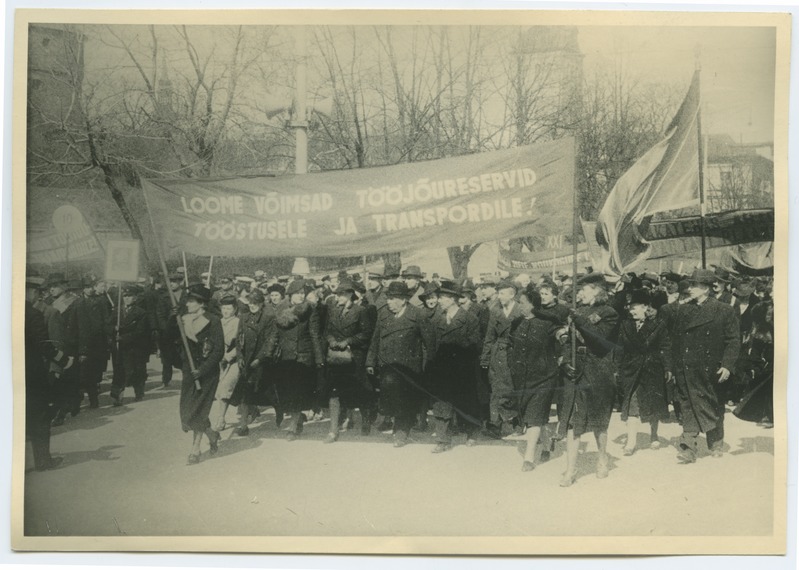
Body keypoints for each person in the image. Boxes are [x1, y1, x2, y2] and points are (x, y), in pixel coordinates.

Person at [672, 268, 741, 463]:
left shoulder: (724, 310)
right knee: (688, 405)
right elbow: (676, 340)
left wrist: (727, 365)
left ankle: (716, 442)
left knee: (714, 405)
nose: (690, 288)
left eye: (694, 285)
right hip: (687, 368)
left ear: (706, 289)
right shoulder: (683, 310)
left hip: (713, 369)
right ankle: (688, 448)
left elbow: (733, 340)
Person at [558, 272, 618, 486]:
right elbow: (569, 341)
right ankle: (570, 469)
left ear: (596, 290)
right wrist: (565, 360)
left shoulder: (608, 313)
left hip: (598, 371)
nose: (579, 293)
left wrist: (579, 319)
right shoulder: (578, 312)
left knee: (599, 422)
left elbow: (599, 341)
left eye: (583, 289)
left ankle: (602, 458)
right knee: (574, 421)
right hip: (575, 371)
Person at [366, 281, 434, 447]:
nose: (388, 302)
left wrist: (426, 366)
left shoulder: (418, 315)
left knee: (406, 399)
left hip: (409, 368)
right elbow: (375, 340)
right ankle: (398, 427)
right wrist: (370, 361)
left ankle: (402, 431)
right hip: (387, 366)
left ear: (403, 300)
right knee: (391, 398)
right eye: (388, 298)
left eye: (392, 299)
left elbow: (429, 344)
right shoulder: (383, 315)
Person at [507, 287, 559, 471]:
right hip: (522, 378)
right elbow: (510, 346)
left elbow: (560, 347)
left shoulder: (548, 324)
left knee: (534, 416)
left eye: (521, 303)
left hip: (544, 377)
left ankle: (528, 458)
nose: (518, 306)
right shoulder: (516, 323)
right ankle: (547, 443)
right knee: (536, 416)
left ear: (532, 304)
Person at [427, 280, 481, 453]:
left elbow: (474, 344)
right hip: (441, 369)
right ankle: (443, 440)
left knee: (465, 402)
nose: (439, 301)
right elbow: (432, 346)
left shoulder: (469, 319)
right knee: (441, 403)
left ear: (453, 299)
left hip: (462, 369)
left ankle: (472, 433)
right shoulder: (436, 319)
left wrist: (453, 347)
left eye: (442, 297)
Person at [267, 279, 324, 440]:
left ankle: (292, 426)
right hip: (284, 358)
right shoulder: (280, 310)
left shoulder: (310, 310)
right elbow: (274, 334)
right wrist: (267, 354)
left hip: (302, 357)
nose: (301, 296)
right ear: (290, 295)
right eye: (298, 293)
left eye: (303, 293)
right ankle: (297, 420)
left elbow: (314, 335)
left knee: (296, 392)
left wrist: (319, 359)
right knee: (286, 392)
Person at [616, 289, 672, 456]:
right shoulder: (625, 325)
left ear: (645, 307)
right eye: (630, 307)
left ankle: (654, 434)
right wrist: (617, 368)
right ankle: (631, 442)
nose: (632, 310)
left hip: (652, 369)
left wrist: (668, 368)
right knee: (632, 404)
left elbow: (665, 347)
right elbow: (619, 348)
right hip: (631, 370)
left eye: (635, 307)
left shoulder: (658, 325)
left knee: (652, 403)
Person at [321, 278, 376, 442]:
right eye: (337, 295)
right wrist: (331, 340)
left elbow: (366, 334)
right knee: (334, 392)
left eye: (340, 295)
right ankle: (333, 430)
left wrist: (348, 341)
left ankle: (366, 420)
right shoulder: (333, 310)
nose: (337, 298)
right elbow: (327, 330)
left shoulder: (360, 311)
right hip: (336, 358)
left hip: (354, 359)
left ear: (349, 295)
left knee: (359, 391)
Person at [179, 284, 224, 465]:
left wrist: (203, 370)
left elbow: (218, 350)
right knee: (187, 411)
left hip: (207, 373)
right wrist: (171, 316)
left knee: (198, 410)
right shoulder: (183, 320)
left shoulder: (213, 320)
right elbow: (169, 338)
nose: (187, 304)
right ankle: (212, 434)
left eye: (191, 301)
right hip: (190, 372)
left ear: (201, 304)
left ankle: (195, 449)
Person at [25, 276, 64, 471]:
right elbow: (46, 346)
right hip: (33, 374)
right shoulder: (32, 314)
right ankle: (43, 461)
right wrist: (63, 362)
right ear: (32, 292)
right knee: (40, 417)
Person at [480, 280, 524, 438]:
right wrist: (485, 358)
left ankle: (517, 423)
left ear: (512, 295)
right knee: (496, 389)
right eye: (498, 293)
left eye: (503, 293)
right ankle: (495, 425)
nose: (499, 297)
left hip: (516, 354)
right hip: (497, 354)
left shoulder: (522, 310)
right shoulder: (495, 311)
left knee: (514, 389)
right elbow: (489, 337)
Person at [229, 288, 275, 436]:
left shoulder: (268, 318)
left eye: (255, 303)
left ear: (261, 304)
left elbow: (269, 342)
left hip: (262, 361)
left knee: (272, 393)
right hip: (247, 361)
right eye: (250, 302)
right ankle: (243, 424)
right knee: (244, 392)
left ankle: (294, 415)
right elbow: (239, 339)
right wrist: (240, 357)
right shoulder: (243, 317)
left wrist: (259, 359)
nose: (252, 305)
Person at [47, 275, 82, 425]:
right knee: (57, 380)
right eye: (50, 286)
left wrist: (82, 350)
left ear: (64, 286)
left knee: (67, 379)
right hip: (54, 346)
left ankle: (65, 409)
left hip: (70, 346)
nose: (51, 289)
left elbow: (82, 327)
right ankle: (64, 406)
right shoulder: (49, 303)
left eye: (55, 285)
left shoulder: (75, 302)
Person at [733, 300, 774, 428]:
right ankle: (769, 415)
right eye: (768, 314)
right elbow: (756, 352)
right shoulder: (762, 331)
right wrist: (758, 366)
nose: (771, 316)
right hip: (769, 364)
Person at [111, 285, 151, 406]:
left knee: (136, 370)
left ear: (135, 298)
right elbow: (106, 325)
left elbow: (140, 331)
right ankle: (117, 396)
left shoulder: (141, 313)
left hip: (135, 347)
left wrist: (123, 337)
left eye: (130, 296)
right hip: (120, 348)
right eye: (125, 296)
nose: (127, 299)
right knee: (119, 371)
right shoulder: (117, 311)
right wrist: (114, 328)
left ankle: (139, 392)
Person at [78, 276, 113, 409]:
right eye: (86, 287)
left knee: (92, 373)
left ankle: (93, 400)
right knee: (82, 374)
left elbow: (105, 320)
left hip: (95, 341)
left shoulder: (100, 301)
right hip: (80, 341)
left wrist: (107, 336)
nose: (89, 289)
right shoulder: (77, 303)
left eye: (90, 287)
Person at [210, 294, 241, 432]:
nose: (226, 311)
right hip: (217, 360)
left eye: (229, 308)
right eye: (223, 308)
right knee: (218, 390)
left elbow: (241, 344)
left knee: (225, 388)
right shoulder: (216, 322)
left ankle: (220, 419)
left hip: (233, 360)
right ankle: (252, 409)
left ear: (234, 309)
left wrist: (229, 356)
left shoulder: (239, 323)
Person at [156, 274, 186, 387]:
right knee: (167, 358)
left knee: (185, 357)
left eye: (174, 281)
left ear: (180, 282)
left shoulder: (187, 296)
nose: (172, 283)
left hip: (184, 330)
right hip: (169, 332)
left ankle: (186, 378)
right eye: (170, 281)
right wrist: (166, 327)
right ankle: (166, 380)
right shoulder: (164, 297)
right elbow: (160, 315)